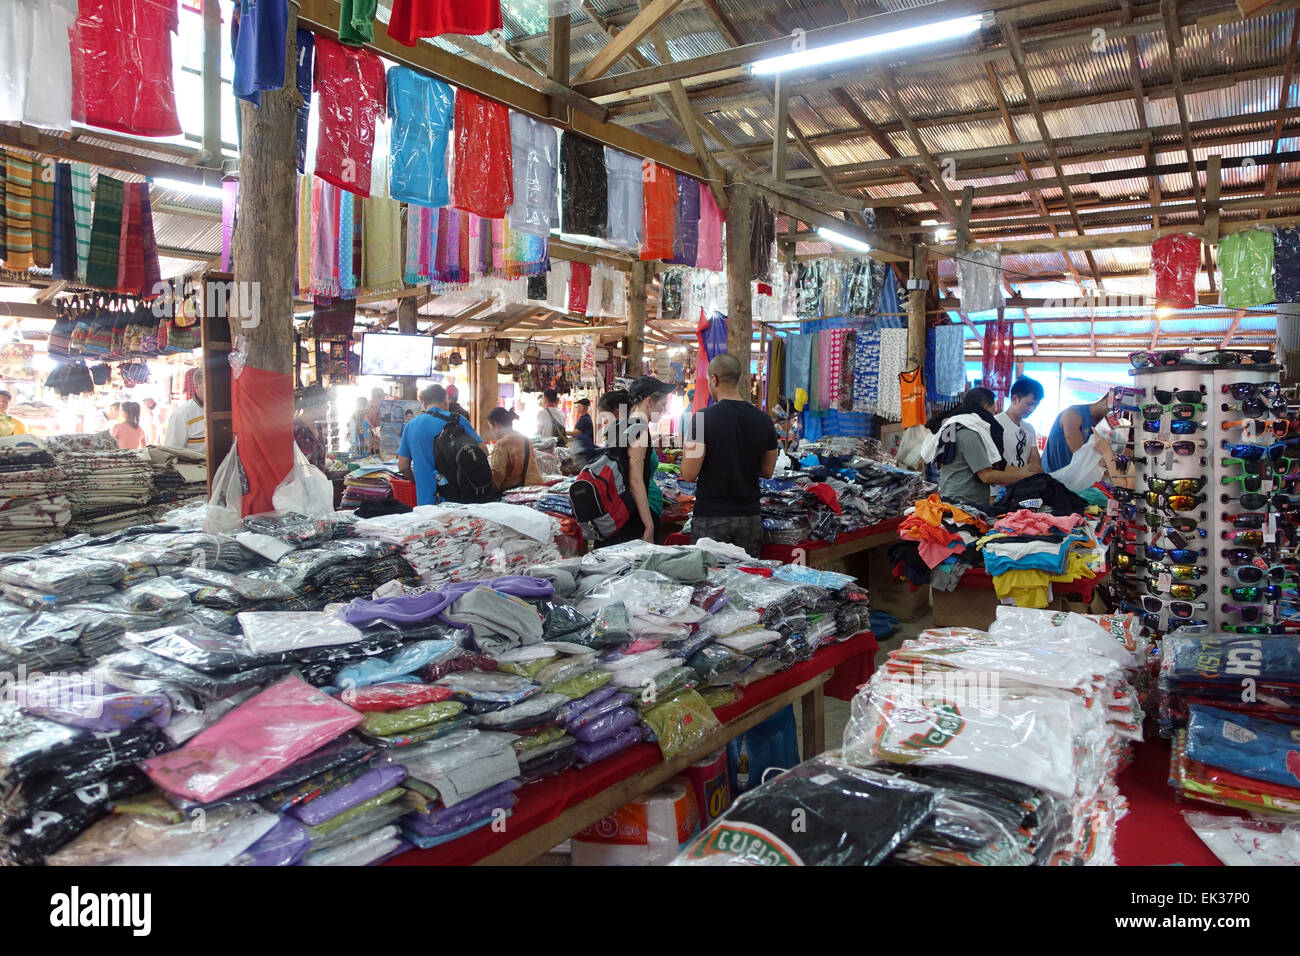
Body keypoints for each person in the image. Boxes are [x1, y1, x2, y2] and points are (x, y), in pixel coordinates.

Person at [680, 354, 780, 557]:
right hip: (749, 516)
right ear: (739, 379)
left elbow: (689, 473)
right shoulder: (764, 420)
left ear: (714, 379)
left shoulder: (701, 419)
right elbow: (767, 471)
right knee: (745, 585)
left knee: (708, 583)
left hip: (711, 516)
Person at [600, 377, 675, 546]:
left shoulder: (620, 426)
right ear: (649, 401)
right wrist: (648, 525)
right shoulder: (639, 430)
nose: (663, 410)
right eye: (662, 404)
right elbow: (635, 480)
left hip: (621, 509)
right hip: (636, 514)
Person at [930, 388, 1031, 510]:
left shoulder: (954, 426)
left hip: (954, 499)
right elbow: (987, 475)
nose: (993, 417)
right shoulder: (970, 433)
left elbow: (997, 467)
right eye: (993, 412)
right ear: (985, 408)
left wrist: (1028, 473)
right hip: (963, 506)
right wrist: (1026, 477)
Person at [397, 383, 485, 506]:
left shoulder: (410, 426)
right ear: (446, 400)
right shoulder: (457, 420)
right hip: (458, 498)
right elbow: (483, 450)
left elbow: (403, 467)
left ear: (424, 403)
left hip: (426, 502)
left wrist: (419, 480)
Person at [1043, 390, 1113, 473]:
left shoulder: (1101, 424)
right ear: (1108, 401)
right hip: (1051, 477)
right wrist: (1110, 465)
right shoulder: (1072, 414)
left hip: (1071, 480)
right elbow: (1081, 455)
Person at [485, 407, 543, 492]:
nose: (491, 431)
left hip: (515, 492)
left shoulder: (502, 444)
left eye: (490, 426)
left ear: (496, 425)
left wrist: (491, 491)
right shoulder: (525, 439)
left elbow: (498, 475)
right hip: (535, 488)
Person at [995, 377, 1045, 472]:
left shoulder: (1029, 428)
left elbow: (1035, 462)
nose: (1032, 409)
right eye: (1029, 404)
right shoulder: (996, 423)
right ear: (1014, 399)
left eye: (1035, 405)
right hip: (1000, 483)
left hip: (1023, 484)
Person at [164, 368, 206, 454]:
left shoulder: (225, 410)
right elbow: (171, 454)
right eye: (208, 384)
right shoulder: (181, 415)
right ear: (196, 386)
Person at [293, 386, 331, 472]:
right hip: (301, 484)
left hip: (318, 483)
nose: (327, 408)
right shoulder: (296, 428)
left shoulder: (318, 428)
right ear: (314, 404)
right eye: (325, 403)